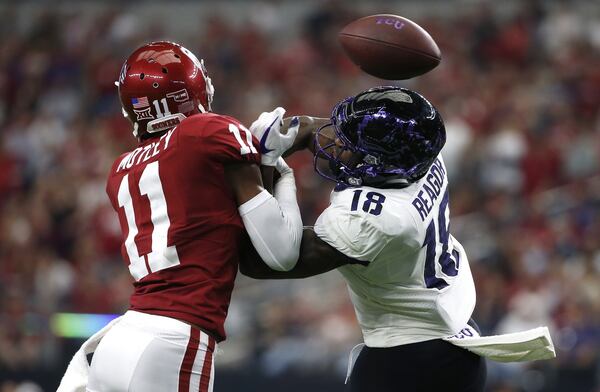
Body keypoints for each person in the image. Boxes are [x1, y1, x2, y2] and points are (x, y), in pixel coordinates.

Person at [57, 41, 356, 392]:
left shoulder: (120, 169)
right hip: (175, 338)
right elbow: (282, 252)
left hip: (119, 341)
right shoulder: (207, 132)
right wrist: (279, 168)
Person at [240, 86, 488, 391]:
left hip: (411, 359)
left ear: (378, 163)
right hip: (458, 340)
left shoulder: (377, 220)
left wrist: (268, 172)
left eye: (351, 143)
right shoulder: (421, 158)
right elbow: (331, 138)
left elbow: (264, 260)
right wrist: (295, 130)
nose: (339, 145)